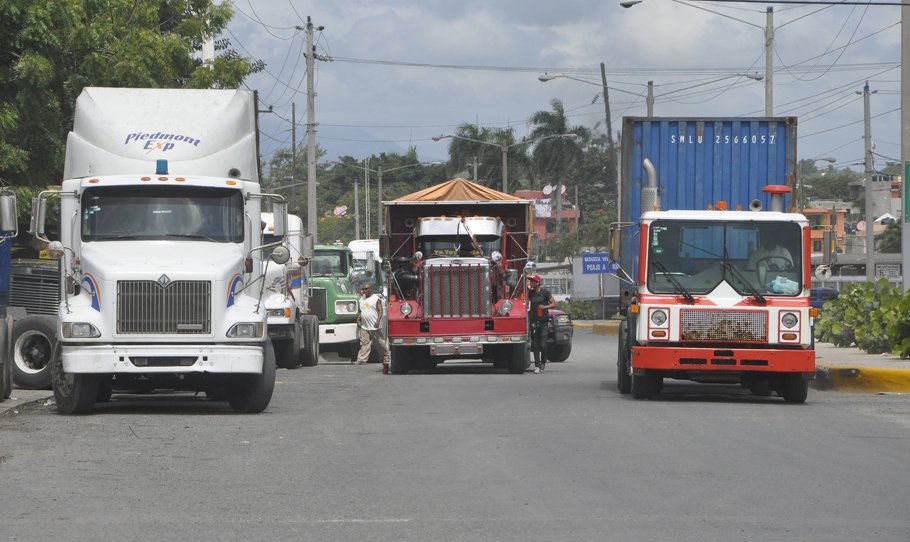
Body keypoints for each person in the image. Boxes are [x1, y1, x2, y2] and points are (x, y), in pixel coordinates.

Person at [355, 283, 390, 366]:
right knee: (364, 343)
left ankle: (386, 357)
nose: (364, 291)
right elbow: (362, 310)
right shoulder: (362, 299)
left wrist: (378, 321)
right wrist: (358, 319)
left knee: (379, 343)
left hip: (374, 325)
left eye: (366, 289)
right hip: (365, 325)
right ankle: (362, 360)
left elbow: (380, 310)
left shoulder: (376, 299)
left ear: (371, 289)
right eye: (363, 289)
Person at [527, 274, 556, 374]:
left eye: (533, 281)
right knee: (535, 345)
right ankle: (537, 365)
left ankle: (543, 362)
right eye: (530, 281)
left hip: (543, 321)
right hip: (533, 321)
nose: (531, 282)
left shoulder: (545, 292)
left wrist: (545, 307)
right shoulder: (530, 293)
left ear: (538, 283)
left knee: (543, 345)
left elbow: (554, 303)